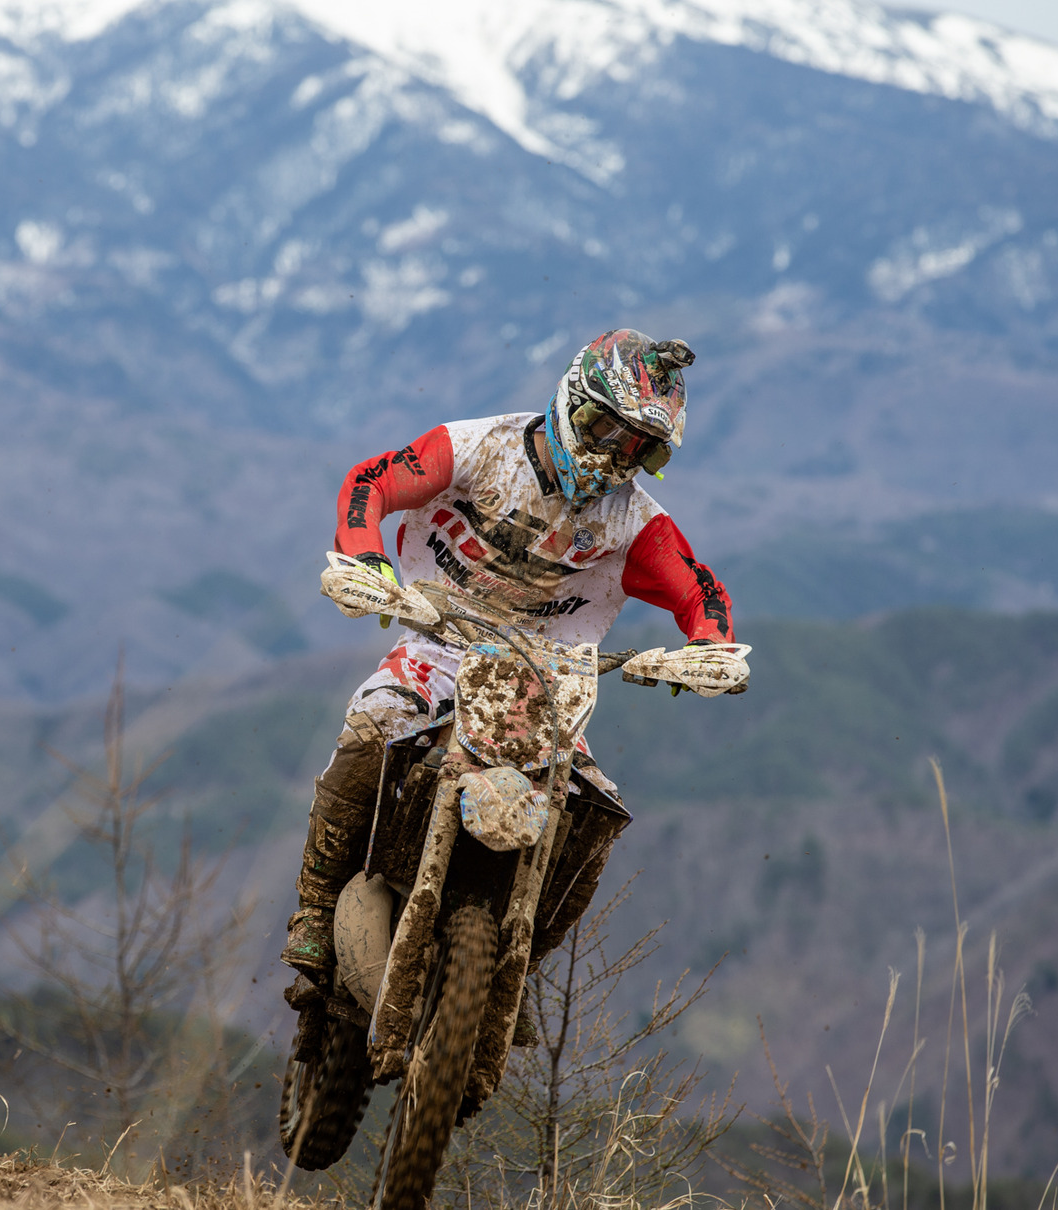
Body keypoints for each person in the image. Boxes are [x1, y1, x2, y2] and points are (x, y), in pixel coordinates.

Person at [282, 329, 739, 988]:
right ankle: (316, 907)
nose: (614, 454)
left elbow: (697, 588)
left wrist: (708, 649)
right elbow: (371, 482)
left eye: (638, 446)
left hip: (544, 682)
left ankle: (509, 969)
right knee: (370, 729)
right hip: (437, 641)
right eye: (602, 427)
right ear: (568, 400)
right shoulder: (474, 447)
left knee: (593, 811)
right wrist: (364, 562)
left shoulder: (635, 522)